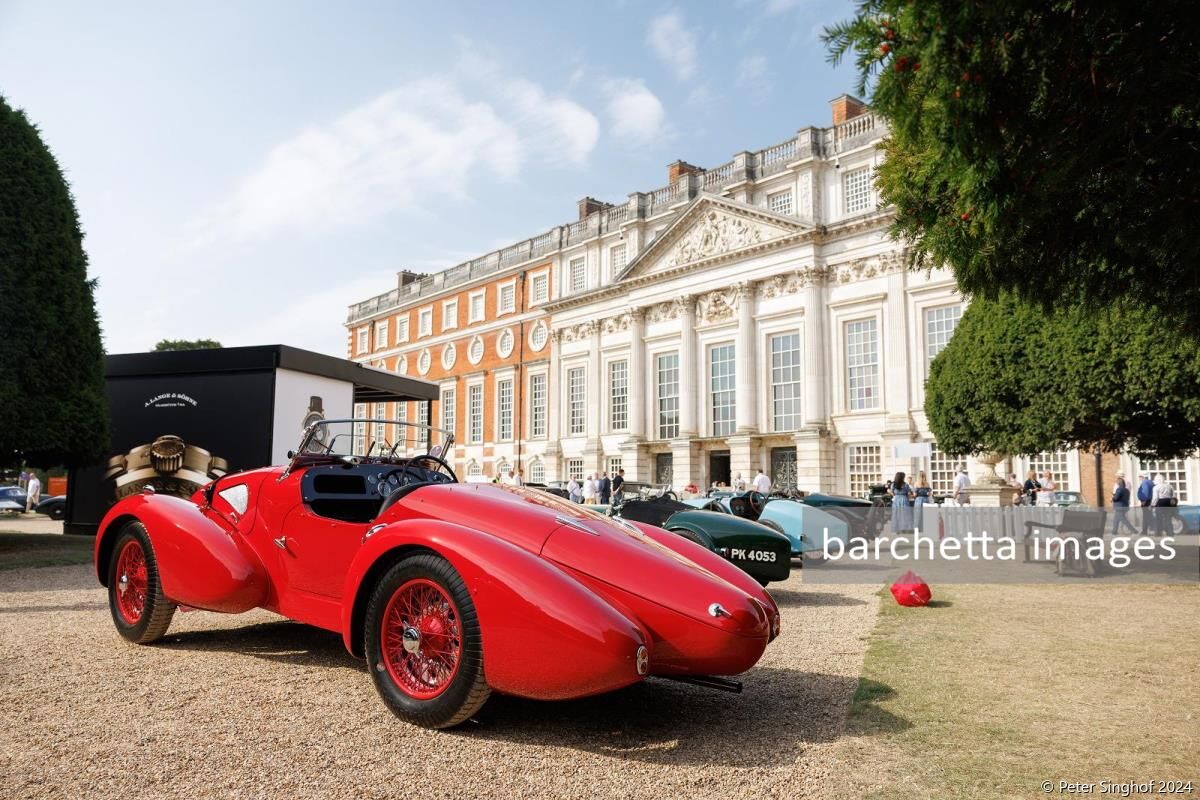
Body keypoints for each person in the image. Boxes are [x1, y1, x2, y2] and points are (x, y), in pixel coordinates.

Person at [1109, 471, 1138, 536]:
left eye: (1117, 475)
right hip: (1125, 504)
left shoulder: (1119, 487)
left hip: (1119, 505)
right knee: (1116, 519)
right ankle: (1114, 531)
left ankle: (1134, 531)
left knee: (1123, 519)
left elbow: (1117, 496)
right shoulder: (1127, 487)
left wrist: (1112, 498)